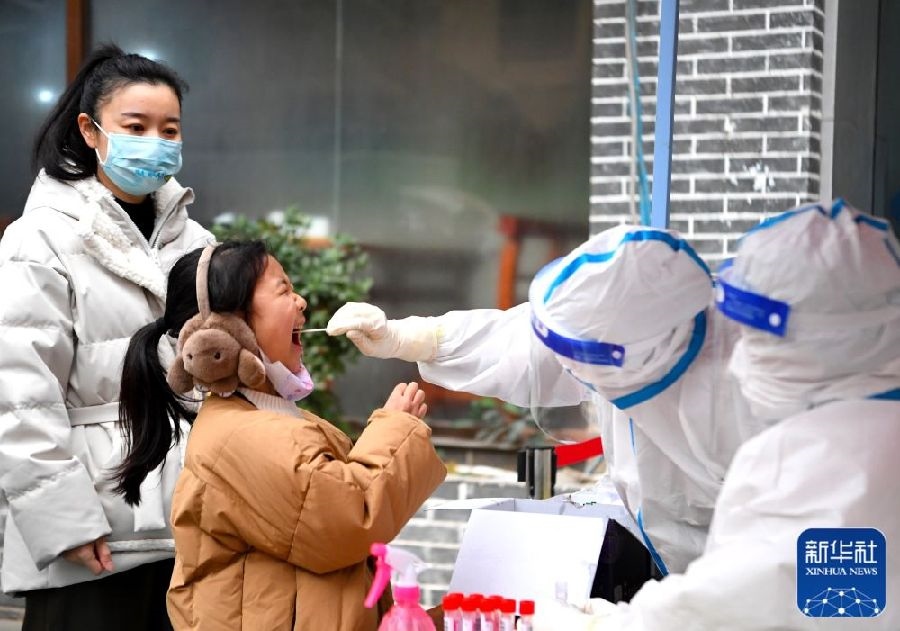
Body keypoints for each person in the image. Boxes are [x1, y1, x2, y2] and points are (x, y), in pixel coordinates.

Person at [529, 201, 900, 629]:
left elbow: (746, 603)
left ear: (835, 340)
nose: (740, 359)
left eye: (761, 339)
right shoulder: (857, 427)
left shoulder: (819, 455)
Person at [327, 225, 763, 576]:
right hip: (666, 554)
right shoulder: (620, 325)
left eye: (581, 360)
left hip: (742, 569)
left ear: (629, 355)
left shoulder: (745, 385)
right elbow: (516, 344)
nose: (567, 368)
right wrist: (409, 337)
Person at [115, 240, 447, 630]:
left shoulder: (265, 420)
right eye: (283, 289)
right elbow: (347, 519)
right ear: (228, 328)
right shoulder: (238, 436)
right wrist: (394, 428)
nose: (301, 301)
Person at [0, 44, 213, 630]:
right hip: (95, 529)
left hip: (190, 521)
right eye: (136, 127)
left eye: (169, 129)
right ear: (90, 131)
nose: (156, 141)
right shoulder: (39, 239)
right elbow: (19, 394)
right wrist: (63, 520)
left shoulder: (196, 240)